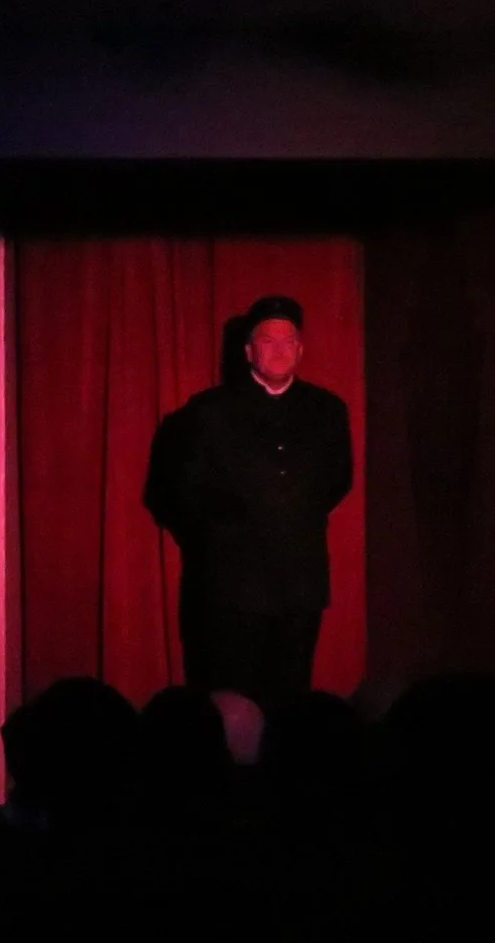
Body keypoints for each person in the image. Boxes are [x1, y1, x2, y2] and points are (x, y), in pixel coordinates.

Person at [143, 294, 353, 708]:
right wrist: (223, 539)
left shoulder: (327, 409)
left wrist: (289, 515)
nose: (279, 350)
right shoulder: (208, 411)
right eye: (267, 341)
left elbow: (337, 480)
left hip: (300, 583)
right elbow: (178, 493)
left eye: (288, 341)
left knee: (292, 701)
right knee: (232, 700)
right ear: (248, 351)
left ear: (301, 349)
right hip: (230, 587)